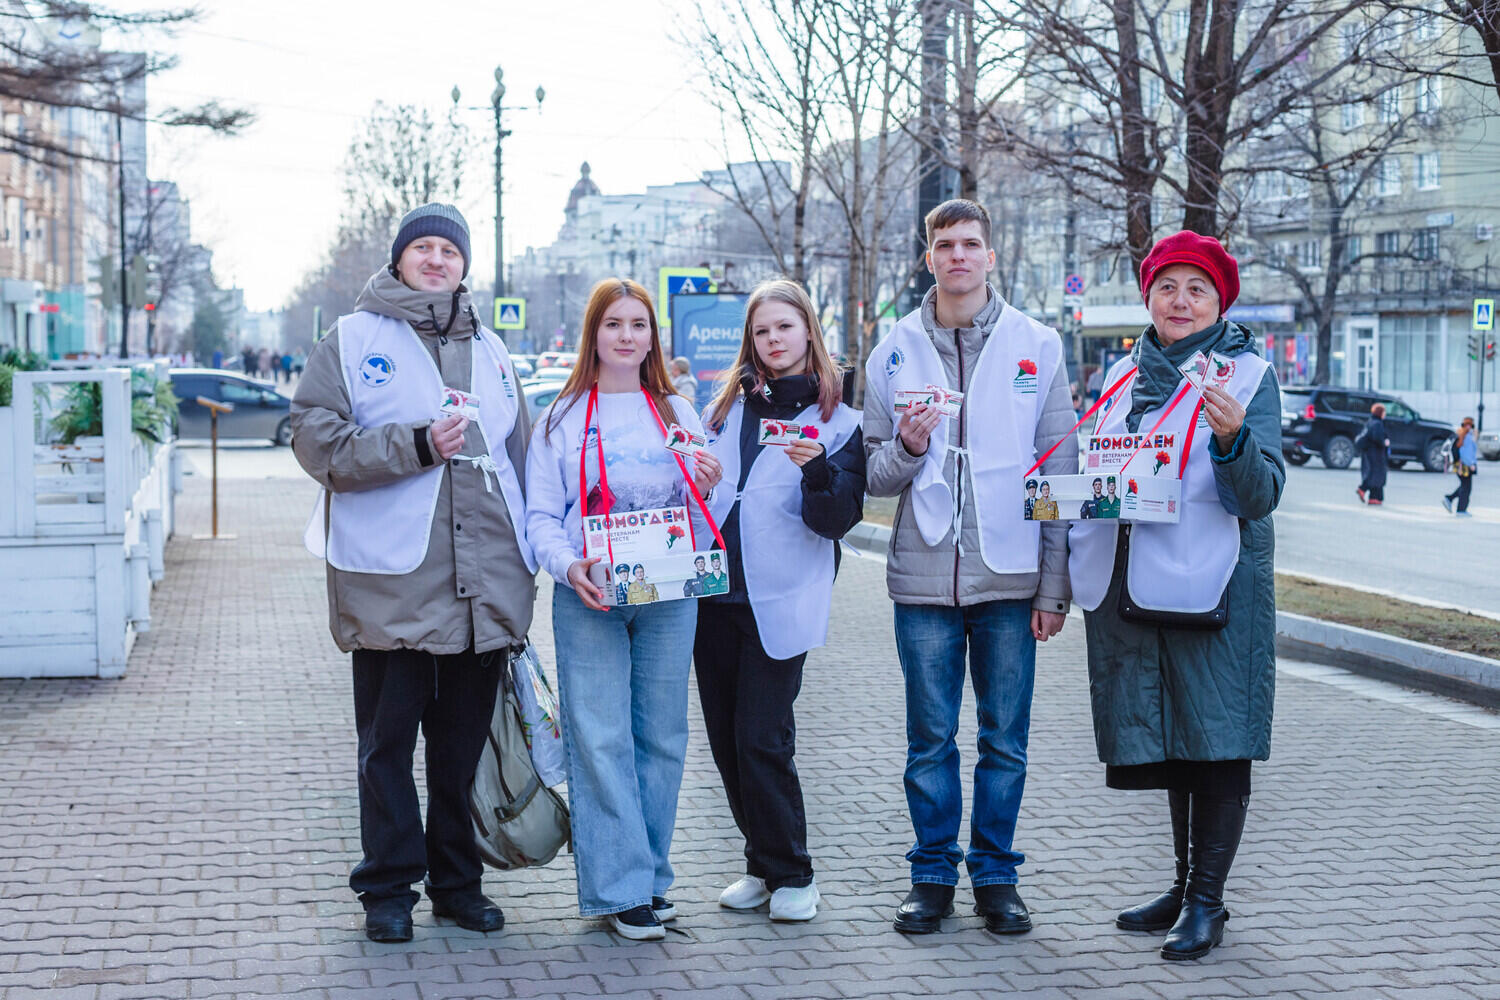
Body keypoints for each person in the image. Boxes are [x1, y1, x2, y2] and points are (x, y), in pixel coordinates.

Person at [290, 203, 533, 943]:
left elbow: (520, 465)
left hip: (482, 592)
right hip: (393, 587)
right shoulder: (355, 339)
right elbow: (315, 440)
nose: (436, 259)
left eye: (448, 250)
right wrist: (416, 444)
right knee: (386, 754)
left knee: (459, 755)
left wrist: (531, 560)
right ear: (400, 260)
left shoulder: (493, 349)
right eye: (422, 248)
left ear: (465, 264)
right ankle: (387, 891)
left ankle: (458, 885)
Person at [1068, 231, 1283, 962]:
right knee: (1176, 735)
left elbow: (1261, 494)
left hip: (1218, 584)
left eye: (1196, 289)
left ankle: (1208, 903)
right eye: (1167, 287)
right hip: (1138, 582)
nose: (1180, 300)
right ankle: (1184, 885)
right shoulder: (1125, 377)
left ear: (1219, 301)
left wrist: (1230, 442)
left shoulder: (1248, 378)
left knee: (1217, 738)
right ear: (1148, 297)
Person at [863, 198, 1075, 937]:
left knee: (1004, 740)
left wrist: (1055, 584)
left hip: (1012, 580)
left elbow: (1058, 471)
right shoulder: (893, 350)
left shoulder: (1035, 345)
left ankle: (995, 877)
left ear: (991, 255)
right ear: (928, 258)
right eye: (945, 244)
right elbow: (872, 473)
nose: (958, 256)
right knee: (929, 739)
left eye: (971, 244)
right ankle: (930, 876)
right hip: (923, 578)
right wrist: (913, 448)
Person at [525, 278, 724, 941]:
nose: (627, 335)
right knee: (599, 737)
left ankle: (650, 877)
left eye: (639, 324)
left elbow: (710, 517)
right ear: (594, 334)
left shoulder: (676, 413)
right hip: (592, 597)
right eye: (614, 323)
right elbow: (541, 518)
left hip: (668, 595)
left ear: (653, 337)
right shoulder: (559, 418)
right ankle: (619, 889)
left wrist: (708, 487)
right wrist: (567, 565)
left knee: (661, 738)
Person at [696, 279, 866, 924]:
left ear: (808, 335)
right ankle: (761, 866)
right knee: (726, 741)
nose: (773, 341)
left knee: (763, 737)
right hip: (713, 594)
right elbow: (700, 490)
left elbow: (835, 520)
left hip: (779, 598)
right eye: (762, 331)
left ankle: (795, 872)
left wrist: (816, 469)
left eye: (785, 329)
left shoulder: (838, 421)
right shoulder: (724, 411)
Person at [1355, 403, 1389, 505]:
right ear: (1380, 413)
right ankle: (1363, 489)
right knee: (1376, 474)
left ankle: (1374, 498)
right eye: (1384, 412)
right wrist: (1385, 442)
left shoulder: (1370, 422)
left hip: (1369, 452)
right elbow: (1377, 437)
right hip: (1376, 454)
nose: (1385, 414)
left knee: (1375, 474)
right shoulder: (1377, 424)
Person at [1443, 417, 1477, 517]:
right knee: (1466, 488)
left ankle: (1449, 499)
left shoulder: (1461, 434)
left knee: (1465, 486)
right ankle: (1461, 510)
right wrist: (1471, 464)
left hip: (1459, 465)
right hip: (1465, 466)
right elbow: (1465, 453)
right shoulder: (1467, 437)